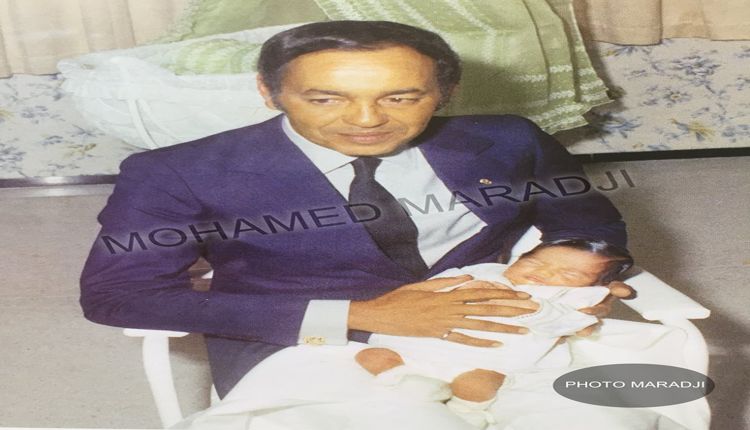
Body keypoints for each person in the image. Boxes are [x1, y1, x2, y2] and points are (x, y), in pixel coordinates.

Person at [79, 20, 632, 405]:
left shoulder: (510, 140)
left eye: (401, 97)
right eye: (325, 98)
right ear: (269, 92)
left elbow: (585, 221)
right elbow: (119, 295)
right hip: (302, 346)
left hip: (510, 333)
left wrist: (580, 273)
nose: (367, 120)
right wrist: (355, 315)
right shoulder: (176, 172)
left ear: (445, 93)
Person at [355, 239, 634, 428]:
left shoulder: (573, 297)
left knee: (479, 383)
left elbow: (569, 323)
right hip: (423, 343)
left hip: (489, 358)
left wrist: (534, 309)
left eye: (569, 274)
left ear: (592, 285)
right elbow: (428, 290)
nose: (545, 272)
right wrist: (455, 289)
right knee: (373, 355)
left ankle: (466, 412)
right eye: (534, 263)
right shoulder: (484, 272)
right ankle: (403, 377)